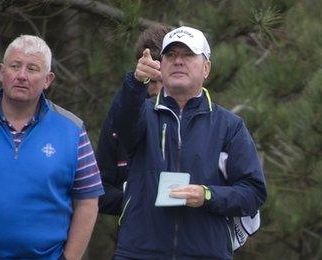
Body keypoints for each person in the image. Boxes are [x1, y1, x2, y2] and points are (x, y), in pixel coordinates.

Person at [0, 35, 104, 259]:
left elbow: (88, 202)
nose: (22, 75)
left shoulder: (72, 130)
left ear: (48, 79)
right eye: (15, 66)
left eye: (32, 68)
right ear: (1, 72)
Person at [109, 26, 267, 259]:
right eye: (170, 55)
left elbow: (253, 193)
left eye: (188, 55)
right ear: (160, 66)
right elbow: (122, 123)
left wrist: (208, 196)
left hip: (206, 253)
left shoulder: (229, 126)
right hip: (139, 252)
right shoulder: (141, 113)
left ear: (206, 68)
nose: (178, 61)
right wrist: (134, 83)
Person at [98, 24, 168, 215]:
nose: (159, 90)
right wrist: (139, 199)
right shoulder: (119, 115)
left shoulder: (199, 117)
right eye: (152, 81)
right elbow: (98, 191)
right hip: (134, 236)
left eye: (166, 81)